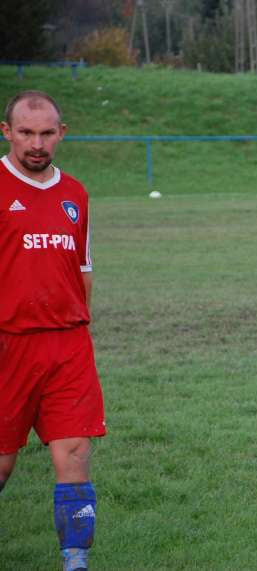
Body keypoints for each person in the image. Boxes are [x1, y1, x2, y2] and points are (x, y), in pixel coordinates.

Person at [0, 91, 105, 571]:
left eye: (46, 133)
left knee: (75, 453)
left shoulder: (76, 194)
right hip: (7, 345)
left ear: (62, 133)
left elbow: (82, 271)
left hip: (67, 345)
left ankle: (75, 561)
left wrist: (81, 325)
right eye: (26, 132)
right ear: (7, 133)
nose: (36, 144)